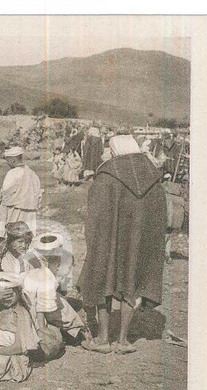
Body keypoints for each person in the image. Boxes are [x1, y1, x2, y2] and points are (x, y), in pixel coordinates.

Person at [78, 135, 167, 355]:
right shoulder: (153, 176)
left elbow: (95, 215)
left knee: (102, 277)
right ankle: (124, 340)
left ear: (115, 150)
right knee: (133, 281)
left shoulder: (107, 176)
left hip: (109, 240)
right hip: (139, 242)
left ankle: (103, 339)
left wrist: (92, 235)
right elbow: (159, 216)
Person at [0, 146, 41, 244]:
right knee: (25, 237)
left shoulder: (12, 173)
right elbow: (38, 196)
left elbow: (5, 193)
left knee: (7, 236)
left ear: (13, 160)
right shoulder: (33, 174)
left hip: (13, 210)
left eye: (8, 161)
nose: (8, 164)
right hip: (29, 212)